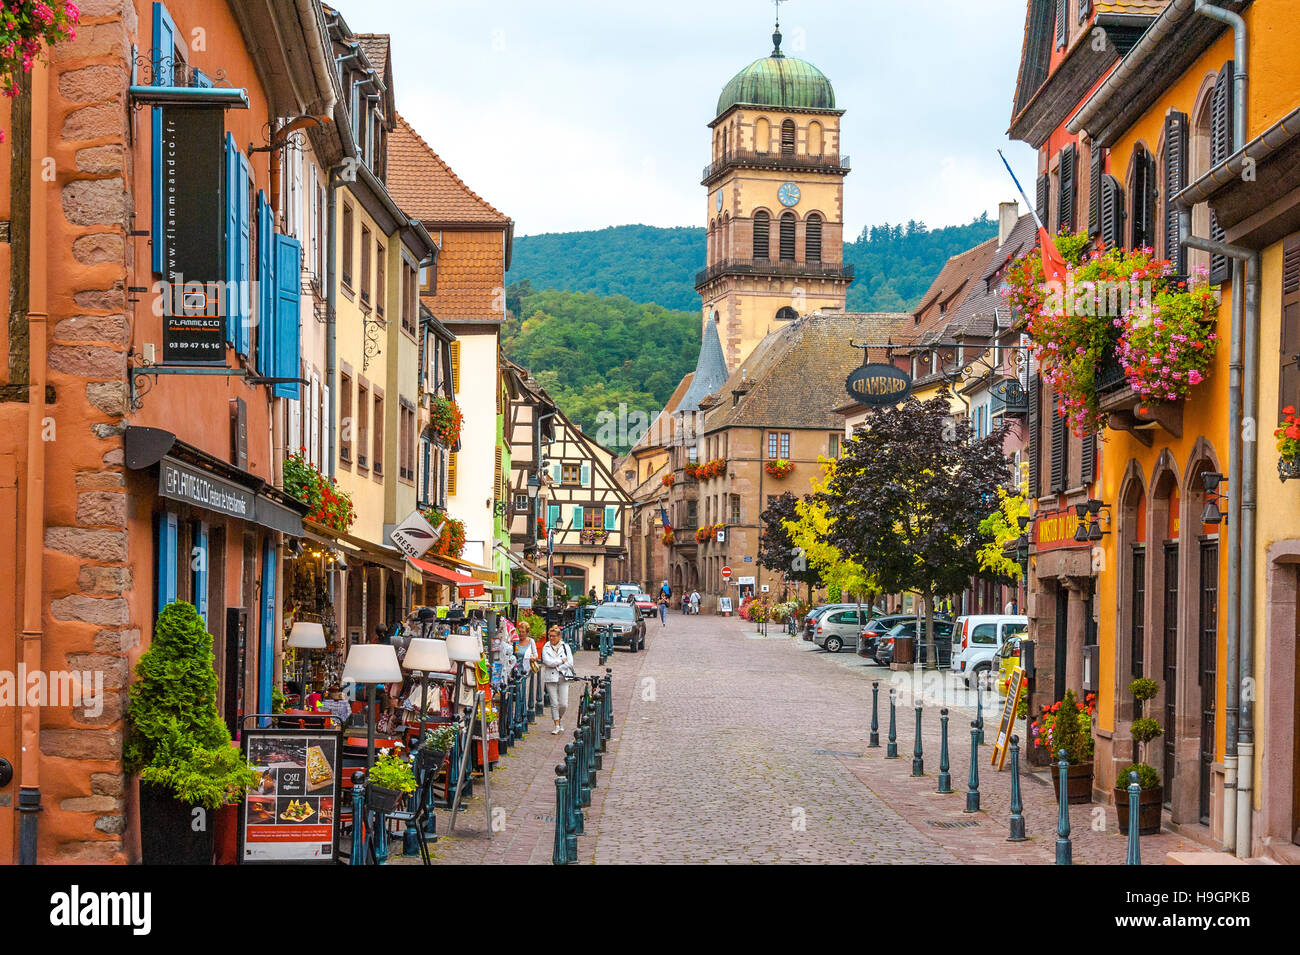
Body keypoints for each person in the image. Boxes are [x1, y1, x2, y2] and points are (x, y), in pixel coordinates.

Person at [540, 625, 574, 734]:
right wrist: (560, 661)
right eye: (550, 636)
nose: (551, 638)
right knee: (554, 702)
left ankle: (559, 718)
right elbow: (547, 662)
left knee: (564, 704)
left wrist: (559, 666)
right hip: (550, 677)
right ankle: (557, 725)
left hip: (563, 676)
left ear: (559, 637)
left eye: (554, 636)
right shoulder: (546, 647)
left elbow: (570, 662)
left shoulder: (565, 647)